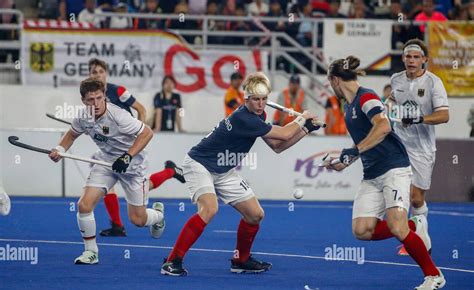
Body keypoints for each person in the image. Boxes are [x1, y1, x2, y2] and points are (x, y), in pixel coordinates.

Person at [161, 72, 322, 276]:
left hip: (224, 170)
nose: (261, 104)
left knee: (255, 215)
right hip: (200, 164)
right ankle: (173, 260)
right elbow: (284, 133)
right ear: (246, 99)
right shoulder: (244, 118)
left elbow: (277, 146)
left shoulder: (258, 116)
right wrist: (302, 118)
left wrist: (305, 129)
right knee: (209, 209)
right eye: (256, 99)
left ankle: (241, 260)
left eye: (264, 99)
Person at [324, 56, 445, 290]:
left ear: (335, 80)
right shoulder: (348, 107)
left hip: (394, 168)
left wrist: (354, 150)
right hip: (372, 174)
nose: (331, 85)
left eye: (330, 81)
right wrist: (345, 160)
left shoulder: (366, 97)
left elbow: (383, 126)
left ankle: (434, 275)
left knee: (397, 228)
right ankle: (414, 223)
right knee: (362, 230)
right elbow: (364, 141)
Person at [48, 78, 165, 264]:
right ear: (83, 100)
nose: (95, 103)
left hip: (133, 166)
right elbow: (71, 134)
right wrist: (60, 150)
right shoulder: (82, 117)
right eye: (90, 100)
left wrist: (127, 157)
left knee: (138, 220)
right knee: (84, 205)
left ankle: (158, 216)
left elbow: (147, 133)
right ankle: (91, 252)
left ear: (104, 96)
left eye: (99, 98)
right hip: (106, 163)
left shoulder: (119, 116)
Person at [88, 58, 185, 237]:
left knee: (139, 186)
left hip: (129, 148)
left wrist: (136, 138)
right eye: (94, 72)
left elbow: (141, 109)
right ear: (89, 75)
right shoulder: (91, 97)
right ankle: (117, 224)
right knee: (106, 176)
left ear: (106, 74)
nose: (98, 75)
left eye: (101, 72)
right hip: (110, 149)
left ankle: (169, 173)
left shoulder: (118, 91)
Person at [389, 39, 449, 256]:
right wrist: (391, 112)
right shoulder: (396, 79)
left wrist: (418, 118)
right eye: (408, 56)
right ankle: (412, 240)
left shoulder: (434, 82)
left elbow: (444, 115)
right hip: (399, 146)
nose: (411, 60)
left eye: (416, 57)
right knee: (402, 196)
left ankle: (423, 233)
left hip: (422, 148)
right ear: (403, 58)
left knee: (416, 198)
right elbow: (391, 101)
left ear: (425, 60)